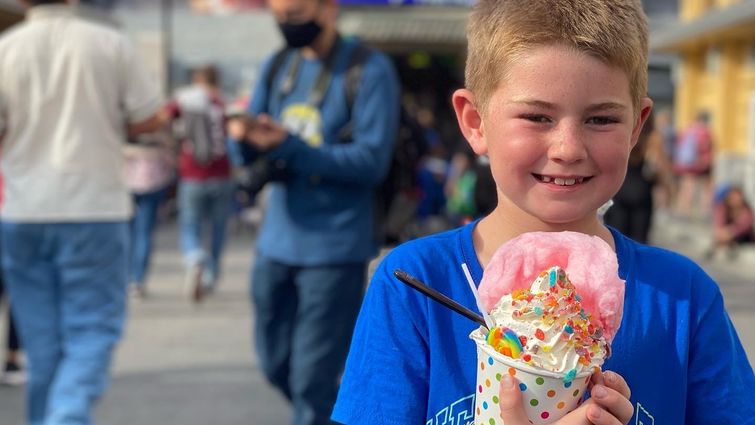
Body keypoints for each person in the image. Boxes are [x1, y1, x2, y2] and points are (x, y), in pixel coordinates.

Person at [332, 1, 755, 424]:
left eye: (601, 119)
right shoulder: (415, 283)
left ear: (636, 127)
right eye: (536, 116)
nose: (568, 149)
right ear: (475, 121)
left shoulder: (682, 298)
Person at [229, 0, 400, 423]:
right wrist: (243, 137)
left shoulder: (369, 69)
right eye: (280, 15)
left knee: (313, 381)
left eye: (297, 13)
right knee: (274, 364)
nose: (288, 23)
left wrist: (289, 145)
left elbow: (370, 161)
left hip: (336, 248)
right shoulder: (277, 65)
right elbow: (251, 147)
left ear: (329, 9)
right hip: (275, 242)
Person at [0, 2, 162, 424]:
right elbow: (149, 117)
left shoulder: (6, 47)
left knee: (42, 343)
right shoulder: (110, 43)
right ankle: (67, 414)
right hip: (96, 206)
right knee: (92, 329)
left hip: (23, 208)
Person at [167, 65, 234, 301]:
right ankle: (211, 275)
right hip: (222, 173)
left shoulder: (184, 98)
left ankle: (195, 257)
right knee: (217, 228)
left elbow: (163, 118)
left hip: (192, 174)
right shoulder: (223, 101)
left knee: (190, 224)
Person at [123, 133, 175, 298]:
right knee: (144, 233)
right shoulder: (158, 128)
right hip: (153, 184)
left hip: (127, 184)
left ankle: (127, 277)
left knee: (127, 234)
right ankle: (137, 279)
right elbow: (170, 161)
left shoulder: (124, 131)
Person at [603, 113, 658, 243]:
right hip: (641, 191)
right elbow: (659, 166)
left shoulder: (621, 136)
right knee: (639, 239)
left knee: (615, 239)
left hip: (619, 190)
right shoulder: (651, 138)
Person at [673, 110, 714, 218]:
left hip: (686, 163)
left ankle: (684, 209)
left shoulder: (688, 129)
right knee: (706, 187)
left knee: (687, 185)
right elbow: (707, 147)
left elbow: (678, 145)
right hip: (702, 163)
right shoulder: (705, 131)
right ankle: (705, 210)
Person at [705, 186, 754, 260]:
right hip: (726, 233)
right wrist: (722, 231)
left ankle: (717, 248)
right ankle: (724, 246)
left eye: (738, 197)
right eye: (733, 197)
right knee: (721, 234)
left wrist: (731, 232)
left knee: (725, 235)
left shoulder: (746, 209)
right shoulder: (723, 206)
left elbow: (743, 226)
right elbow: (719, 221)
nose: (736, 200)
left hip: (742, 236)